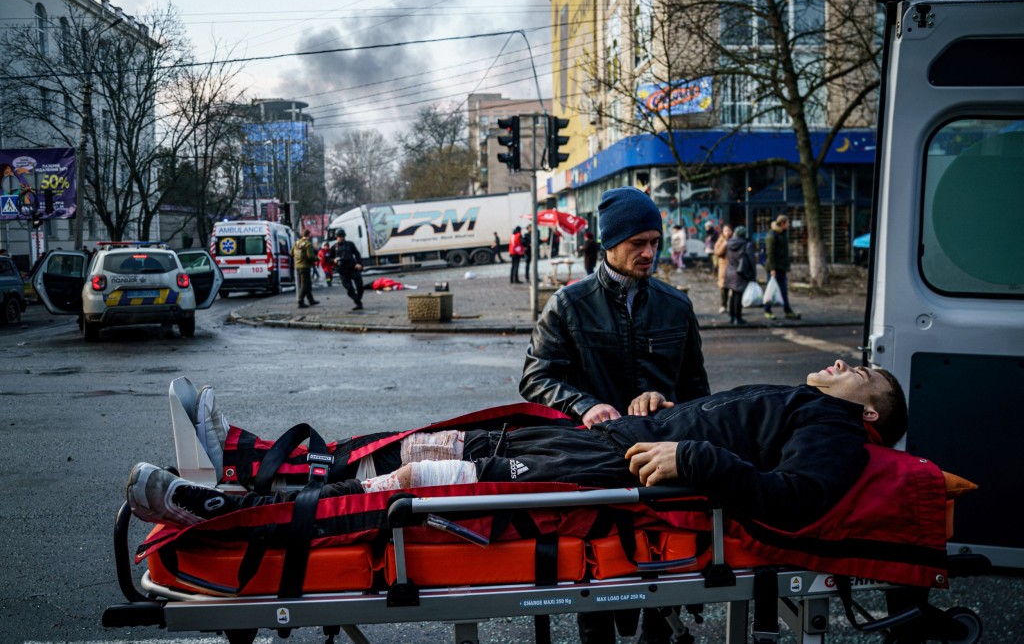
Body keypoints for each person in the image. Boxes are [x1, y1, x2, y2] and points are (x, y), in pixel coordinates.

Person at [127, 358, 908, 541]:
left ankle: (236, 511)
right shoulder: (810, 406)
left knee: (424, 477)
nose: (841, 366)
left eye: (860, 373)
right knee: (422, 441)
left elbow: (798, 502)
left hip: (604, 470)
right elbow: (723, 430)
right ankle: (243, 455)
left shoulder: (836, 434)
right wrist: (662, 413)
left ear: (871, 416)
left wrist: (693, 460)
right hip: (605, 440)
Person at [521, 186, 709, 643]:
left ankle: (656, 631)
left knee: (661, 566)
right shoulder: (568, 304)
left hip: (662, 459)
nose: (649, 253)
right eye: (637, 244)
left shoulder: (676, 305)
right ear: (609, 244)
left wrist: (667, 404)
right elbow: (535, 378)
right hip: (595, 459)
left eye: (654, 241)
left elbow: (697, 393)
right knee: (597, 574)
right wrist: (585, 405)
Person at [764, 214, 800, 320]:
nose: (789, 225)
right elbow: (770, 253)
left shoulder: (782, 234)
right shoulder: (772, 235)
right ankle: (768, 310)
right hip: (775, 267)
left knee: (783, 290)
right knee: (771, 290)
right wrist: (772, 268)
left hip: (781, 267)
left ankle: (787, 310)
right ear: (782, 223)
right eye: (788, 223)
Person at [725, 225, 756, 325]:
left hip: (730, 271)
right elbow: (751, 260)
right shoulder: (747, 244)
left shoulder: (729, 243)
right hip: (741, 272)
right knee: (738, 295)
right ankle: (738, 318)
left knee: (733, 294)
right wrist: (753, 274)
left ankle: (731, 316)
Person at [329, 230, 365, 311]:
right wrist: (333, 260)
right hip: (342, 271)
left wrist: (360, 264)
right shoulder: (334, 247)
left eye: (342, 237)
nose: (341, 238)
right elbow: (329, 258)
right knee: (349, 288)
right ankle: (358, 303)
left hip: (353, 268)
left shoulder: (350, 244)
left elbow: (357, 254)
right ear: (336, 237)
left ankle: (358, 299)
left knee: (360, 286)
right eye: (339, 237)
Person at [291, 229, 319, 309]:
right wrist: (318, 259)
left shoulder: (297, 243)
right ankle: (300, 301)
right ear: (309, 235)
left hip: (299, 266)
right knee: (305, 284)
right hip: (305, 266)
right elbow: (310, 256)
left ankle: (311, 300)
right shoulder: (307, 244)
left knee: (308, 284)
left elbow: (291, 253)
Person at [714, 224, 733, 314]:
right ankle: (723, 305)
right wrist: (724, 244)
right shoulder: (720, 241)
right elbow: (717, 253)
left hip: (733, 267)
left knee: (733, 288)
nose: (727, 233)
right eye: (726, 231)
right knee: (723, 287)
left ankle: (733, 307)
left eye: (729, 230)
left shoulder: (734, 240)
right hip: (724, 267)